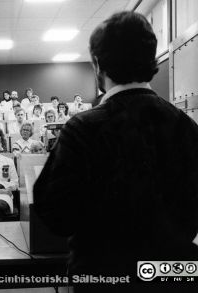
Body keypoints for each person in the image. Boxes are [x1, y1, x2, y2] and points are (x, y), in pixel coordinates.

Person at [33, 11, 198, 291]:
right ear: (151, 60)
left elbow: (55, 214)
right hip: (174, 277)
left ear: (98, 64)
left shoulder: (83, 128)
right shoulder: (187, 127)